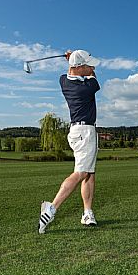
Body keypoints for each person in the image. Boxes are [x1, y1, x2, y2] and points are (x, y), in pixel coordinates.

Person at [38, 49, 101, 234]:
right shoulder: (88, 87)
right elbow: (94, 78)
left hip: (76, 131)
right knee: (81, 173)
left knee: (89, 172)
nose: (92, 67)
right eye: (89, 64)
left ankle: (87, 213)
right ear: (80, 66)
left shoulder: (63, 81)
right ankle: (52, 207)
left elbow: (73, 72)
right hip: (85, 132)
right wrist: (71, 59)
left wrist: (71, 60)